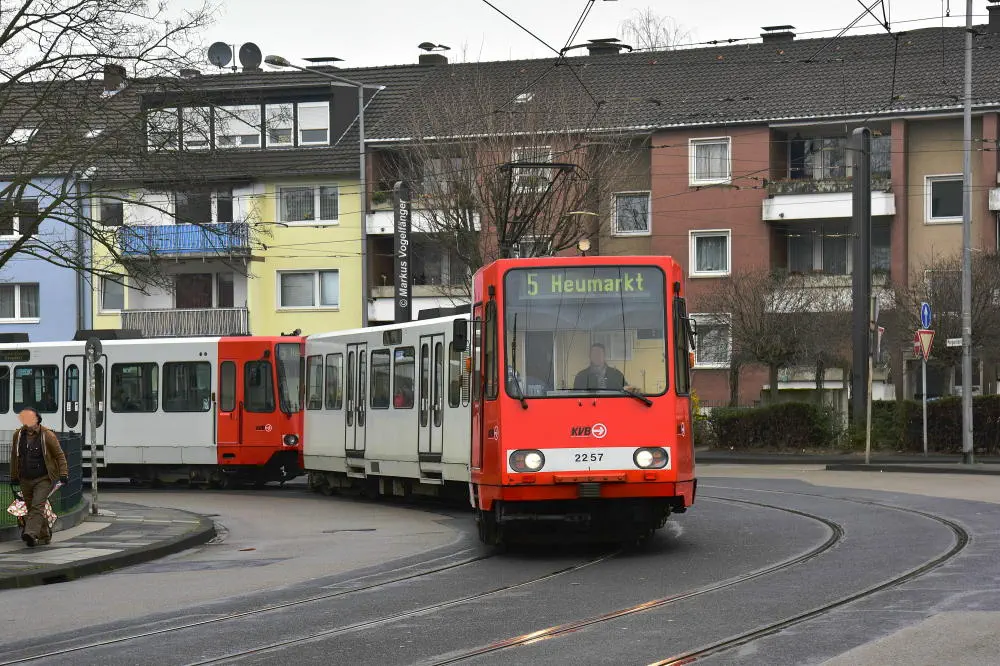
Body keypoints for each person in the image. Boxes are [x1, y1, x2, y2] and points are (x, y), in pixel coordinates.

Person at [8, 407, 69, 547]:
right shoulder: (18, 435)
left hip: (43, 478)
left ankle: (30, 533)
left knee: (37, 505)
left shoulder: (47, 435)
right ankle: (44, 534)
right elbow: (14, 456)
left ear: (37, 420)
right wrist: (14, 476)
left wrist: (63, 473)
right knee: (31, 508)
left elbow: (59, 455)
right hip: (25, 478)